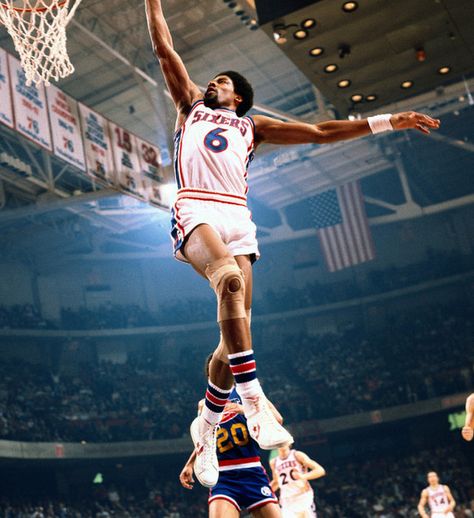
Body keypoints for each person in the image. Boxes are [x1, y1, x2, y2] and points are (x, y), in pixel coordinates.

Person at [144, 0, 441, 489]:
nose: (213, 82)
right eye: (212, 79)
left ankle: (206, 429)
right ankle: (254, 399)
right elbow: (163, 48)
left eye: (222, 80)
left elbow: (323, 132)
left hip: (238, 215)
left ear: (238, 98)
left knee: (232, 335)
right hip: (196, 206)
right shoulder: (190, 105)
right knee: (230, 280)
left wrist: (392, 120)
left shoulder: (253, 127)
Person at [180, 354, 282, 517]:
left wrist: (244, 409)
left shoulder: (248, 393)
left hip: (252, 468)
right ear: (210, 376)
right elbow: (205, 440)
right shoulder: (203, 404)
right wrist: (190, 464)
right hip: (223, 475)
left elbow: (277, 420)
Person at [270, 443, 325, 518]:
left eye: (283, 441)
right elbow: (276, 482)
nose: (281, 444)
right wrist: (263, 492)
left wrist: (303, 476)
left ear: (289, 442)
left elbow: (320, 470)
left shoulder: (297, 455)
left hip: (303, 497)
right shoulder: (273, 462)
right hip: (287, 501)